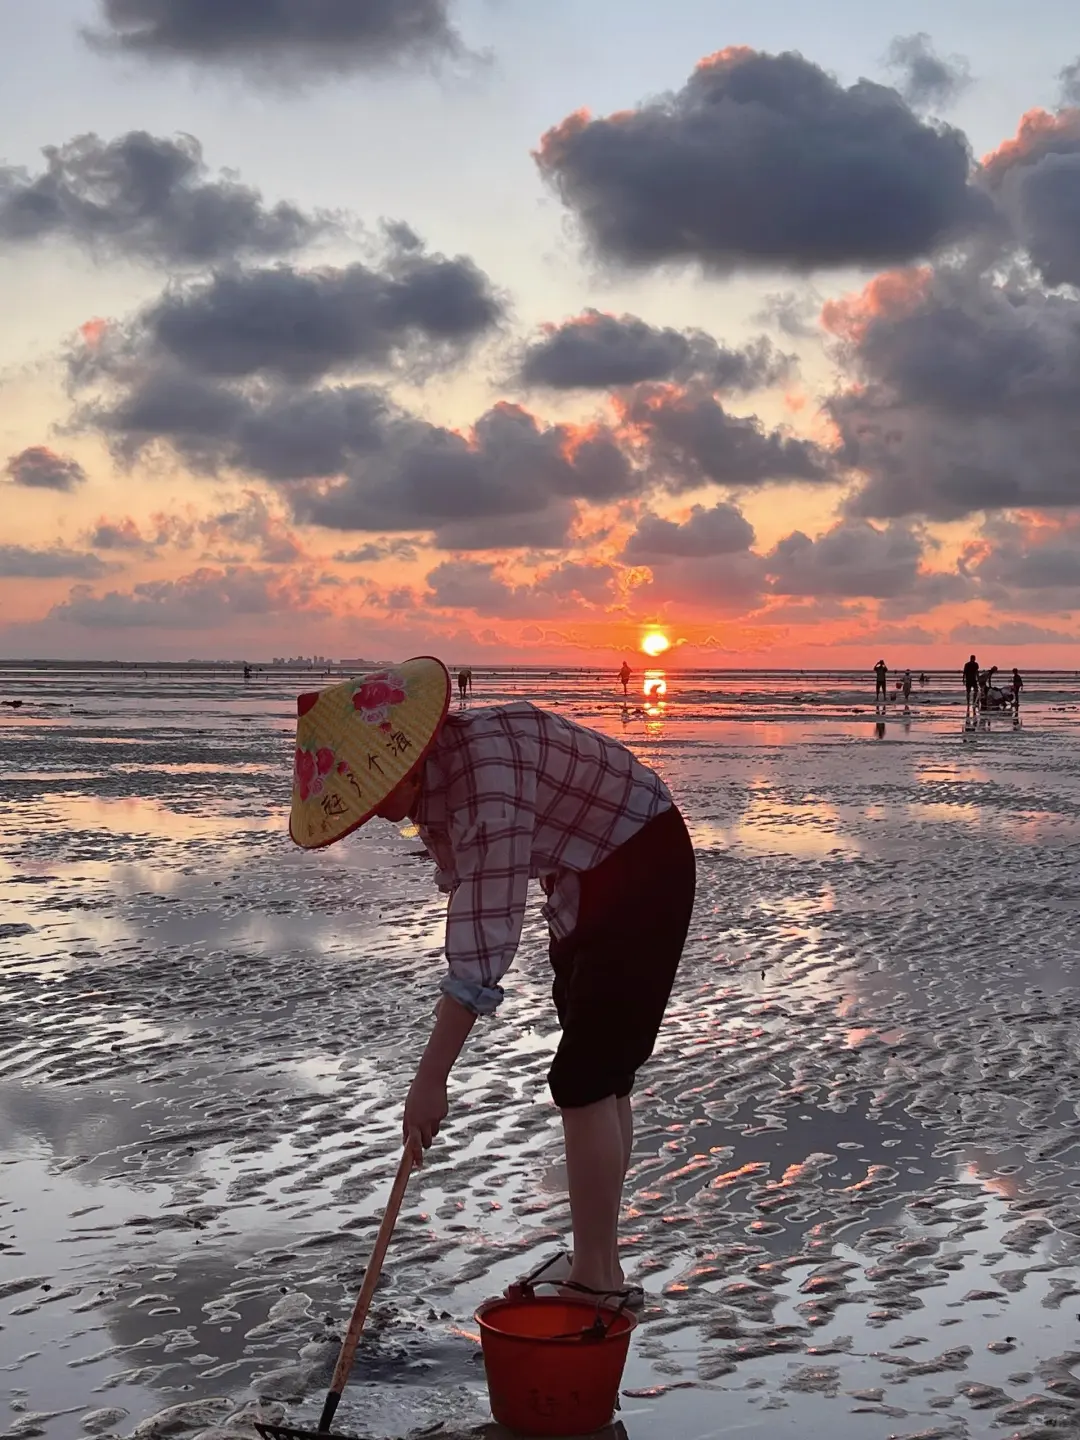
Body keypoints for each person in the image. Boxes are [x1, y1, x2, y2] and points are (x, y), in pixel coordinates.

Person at [289, 658, 695, 1307]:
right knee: (602, 1074)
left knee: (587, 1077)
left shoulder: (484, 781)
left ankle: (597, 1277)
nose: (368, 813)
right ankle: (599, 1258)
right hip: (585, 875)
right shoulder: (445, 771)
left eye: (369, 794)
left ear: (404, 765)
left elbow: (482, 944)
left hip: (641, 862)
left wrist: (430, 1081)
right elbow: (473, 890)